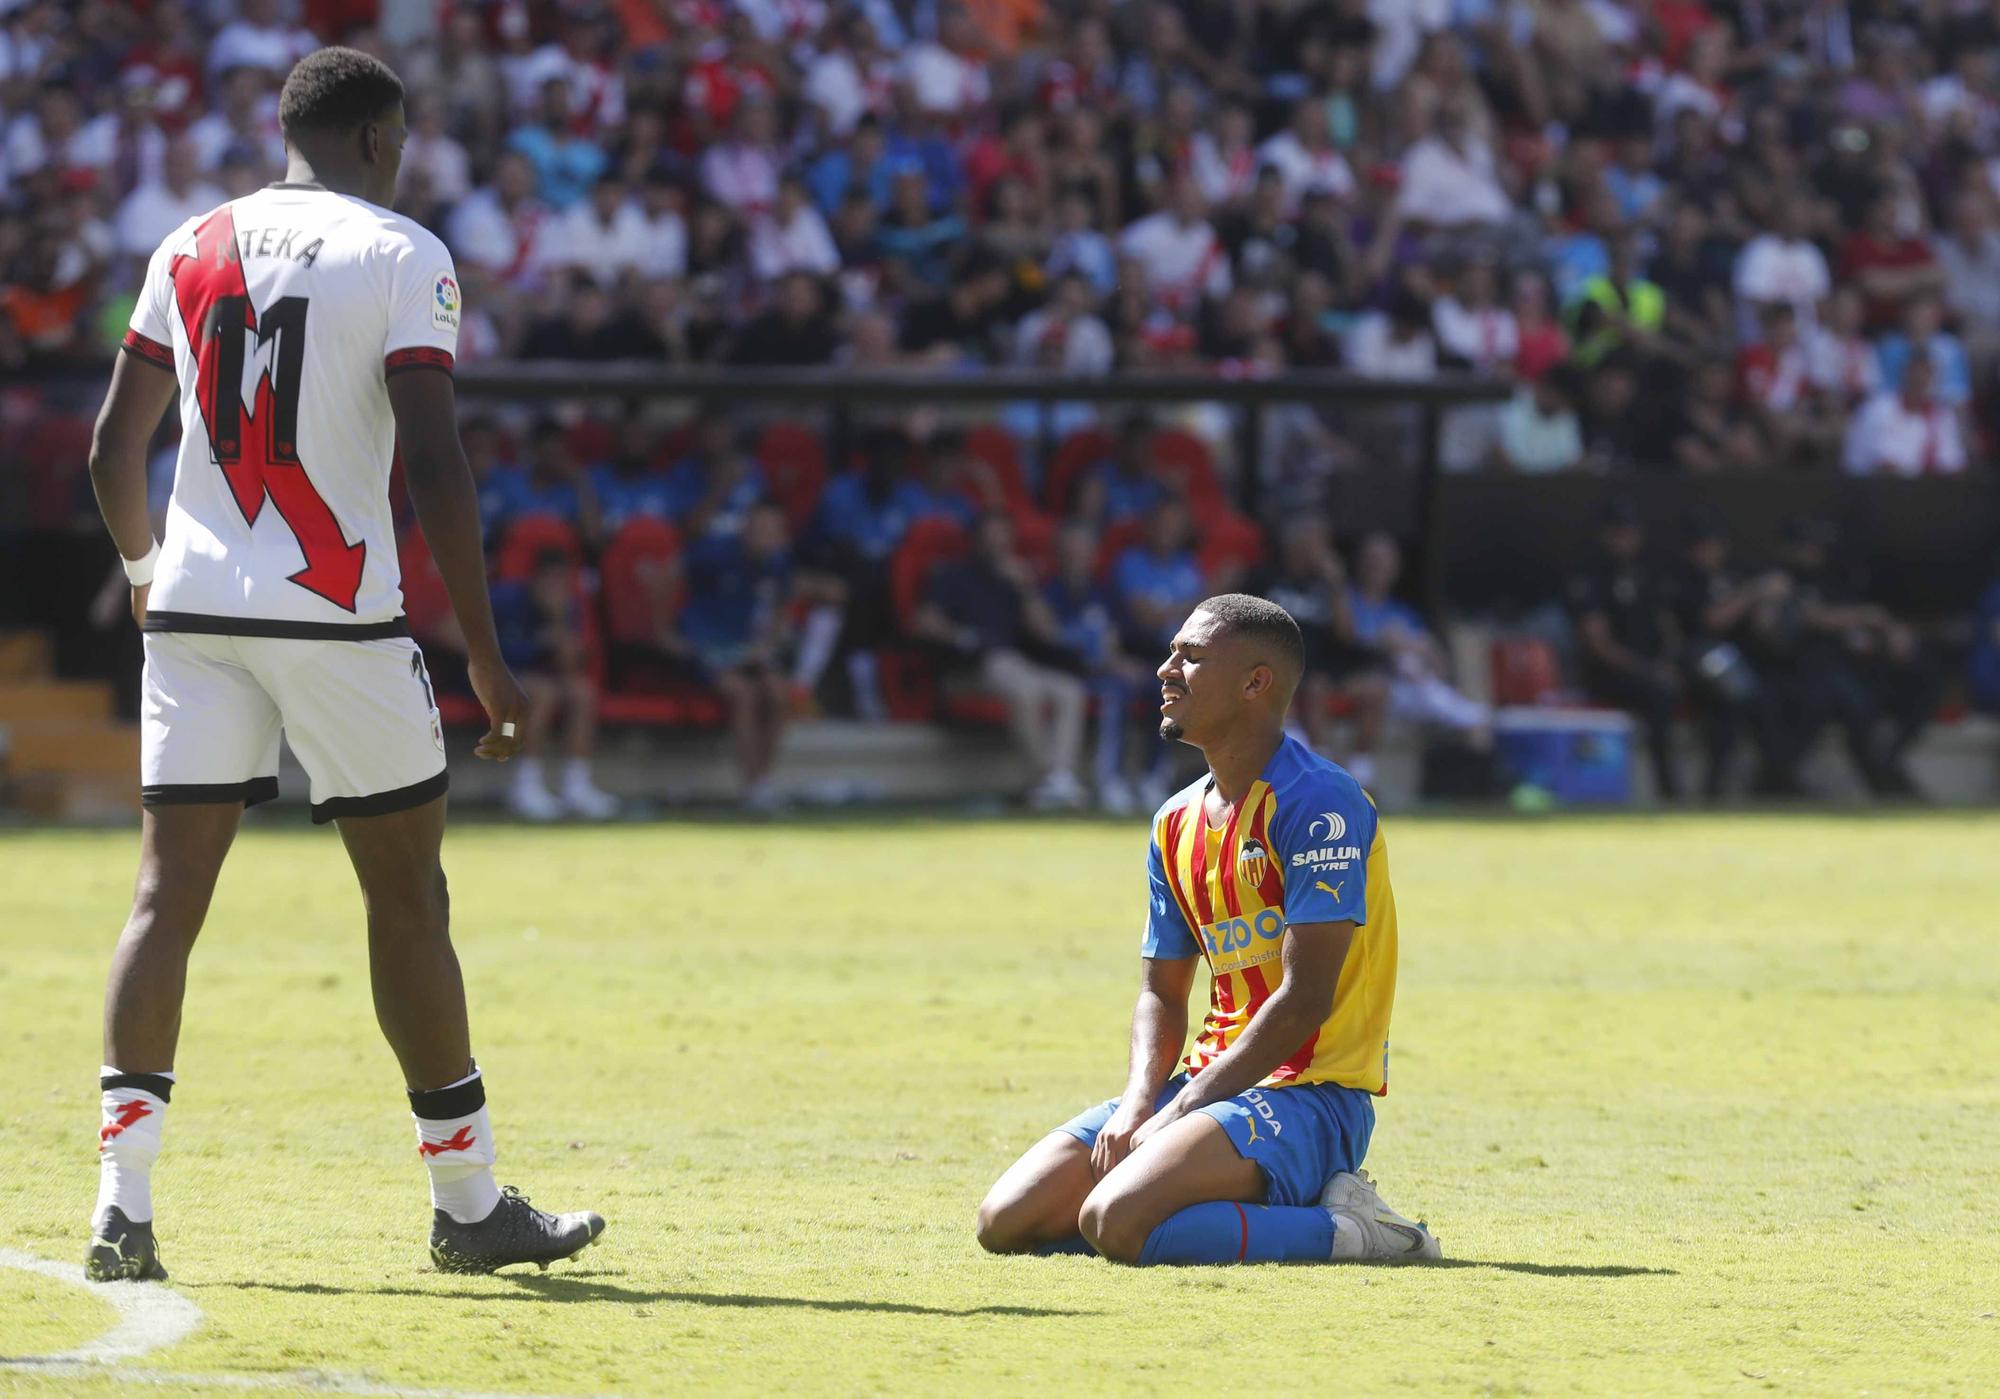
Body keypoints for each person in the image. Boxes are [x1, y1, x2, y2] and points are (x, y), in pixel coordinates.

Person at [82, 48, 602, 1282]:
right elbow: (435, 463)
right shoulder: (403, 250)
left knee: (164, 903)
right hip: (341, 622)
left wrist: (151, 580)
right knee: (406, 898)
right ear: (380, 138)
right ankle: (468, 1204)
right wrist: (483, 649)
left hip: (196, 616)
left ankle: (122, 1206)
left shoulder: (186, 243)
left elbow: (114, 450)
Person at [974, 594, 1439, 1265]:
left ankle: (1354, 1231)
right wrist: (1140, 1102)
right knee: (1006, 1219)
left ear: (1256, 683)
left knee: (1116, 1219)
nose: (1166, 670)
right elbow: (1161, 991)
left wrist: (1182, 1109)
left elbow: (1305, 999)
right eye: (1171, 653)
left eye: (1190, 657)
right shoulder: (1174, 821)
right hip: (1209, 1082)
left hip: (1312, 1096)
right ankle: (1212, 1195)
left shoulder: (1321, 803)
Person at [913, 512, 1089, 810]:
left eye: (1003, 537)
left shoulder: (1014, 579)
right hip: (968, 669)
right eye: (991, 536)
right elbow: (924, 622)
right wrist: (962, 637)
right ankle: (1046, 779)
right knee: (1026, 687)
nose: (998, 543)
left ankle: (1060, 779)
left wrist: (1025, 587)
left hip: (1015, 664)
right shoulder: (953, 575)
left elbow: (1047, 631)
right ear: (977, 540)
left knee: (1070, 691)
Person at [489, 550, 620, 822]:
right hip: (500, 678)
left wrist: (557, 622)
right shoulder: (503, 599)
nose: (556, 587)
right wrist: (535, 646)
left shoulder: (567, 607)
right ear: (536, 578)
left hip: (542, 677)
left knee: (583, 693)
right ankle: (525, 786)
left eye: (563, 581)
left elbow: (571, 663)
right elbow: (487, 651)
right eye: (551, 580)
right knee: (543, 692)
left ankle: (576, 785)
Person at [1567, 500, 1684, 800]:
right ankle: (1669, 790)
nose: (1625, 539)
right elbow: (1598, 643)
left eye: (1630, 532)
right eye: (1619, 533)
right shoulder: (1591, 574)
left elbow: (1667, 625)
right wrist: (1649, 670)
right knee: (1661, 693)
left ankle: (1717, 792)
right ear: (1605, 535)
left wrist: (1669, 661)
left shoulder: (1647, 572)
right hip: (1609, 675)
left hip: (1654, 670)